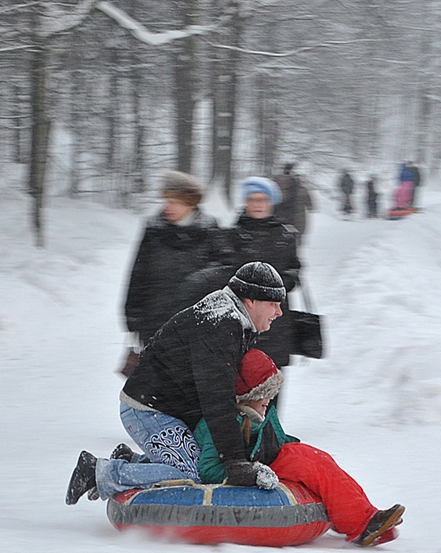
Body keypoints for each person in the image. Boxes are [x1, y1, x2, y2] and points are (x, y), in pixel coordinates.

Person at [65, 261, 287, 505]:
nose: (279, 312)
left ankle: (131, 462)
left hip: (167, 408)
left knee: (199, 464)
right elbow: (216, 397)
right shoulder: (220, 325)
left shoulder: (232, 320)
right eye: (273, 304)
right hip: (149, 410)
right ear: (250, 301)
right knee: (191, 475)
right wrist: (234, 461)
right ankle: (99, 473)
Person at [195, 348, 405, 546]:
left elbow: (275, 436)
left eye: (272, 392)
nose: (269, 399)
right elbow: (209, 469)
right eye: (265, 393)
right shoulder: (223, 423)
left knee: (320, 459)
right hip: (259, 464)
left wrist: (291, 443)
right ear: (249, 394)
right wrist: (252, 473)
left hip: (270, 455)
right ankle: (361, 525)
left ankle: (367, 514)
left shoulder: (258, 414)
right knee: (311, 466)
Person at [123, 171, 223, 349]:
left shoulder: (210, 232)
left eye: (175, 202)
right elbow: (138, 274)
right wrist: (133, 316)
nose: (168, 207)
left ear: (191, 204)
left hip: (196, 327)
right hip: (155, 324)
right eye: (167, 201)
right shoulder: (154, 230)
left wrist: (201, 281)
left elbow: (223, 273)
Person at [227, 177, 301, 409]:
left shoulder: (285, 234)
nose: (258, 204)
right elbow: (225, 274)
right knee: (239, 377)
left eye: (263, 199)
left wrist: (274, 287)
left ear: (272, 202)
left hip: (275, 320)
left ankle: (270, 433)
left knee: (271, 378)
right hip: (240, 319)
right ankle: (241, 434)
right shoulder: (232, 235)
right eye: (252, 199)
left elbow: (294, 270)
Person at [272, 162, 308, 241]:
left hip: (278, 215)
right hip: (292, 215)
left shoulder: (277, 182)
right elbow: (307, 203)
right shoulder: (297, 186)